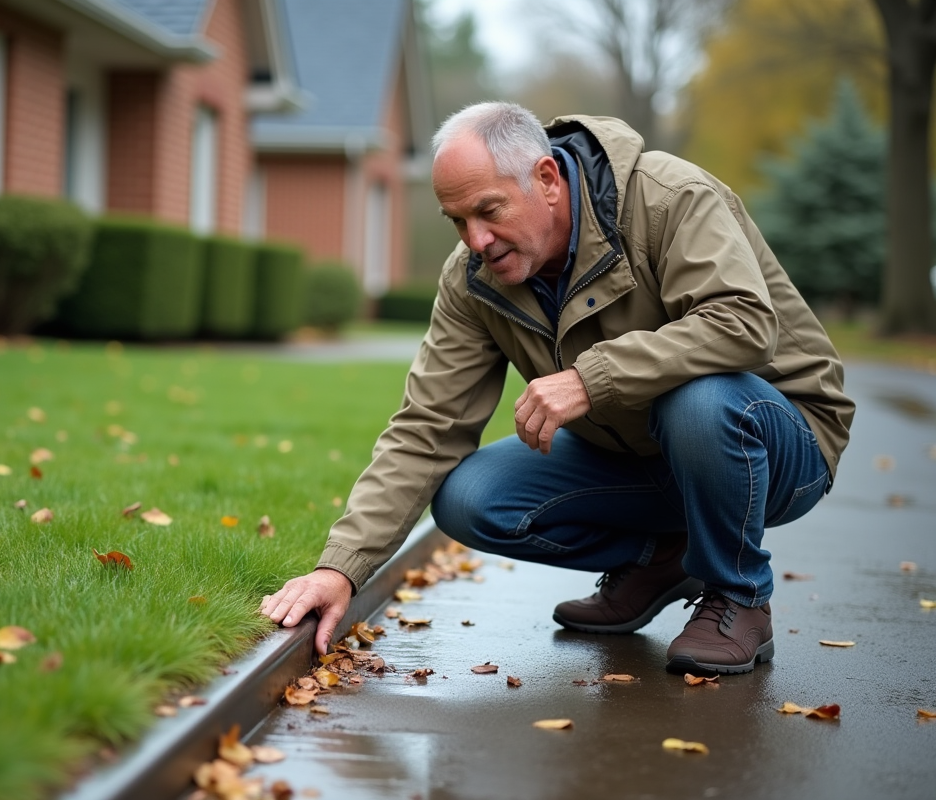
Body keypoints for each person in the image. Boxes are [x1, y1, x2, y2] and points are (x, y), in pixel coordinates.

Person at [260, 102, 855, 675]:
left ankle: (740, 596)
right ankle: (663, 559)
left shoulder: (669, 198)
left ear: (547, 178)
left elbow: (743, 322)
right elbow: (428, 426)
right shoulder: (473, 281)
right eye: (457, 220)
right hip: (641, 451)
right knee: (470, 497)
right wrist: (340, 570)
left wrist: (592, 378)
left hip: (777, 441)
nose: (476, 240)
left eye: (489, 210)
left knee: (697, 400)